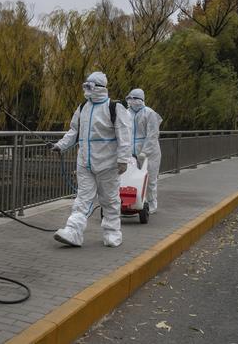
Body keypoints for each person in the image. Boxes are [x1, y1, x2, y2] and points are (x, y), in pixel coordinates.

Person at [48, 72, 132, 247]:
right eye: (85, 86)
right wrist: (60, 145)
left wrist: (123, 159)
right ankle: (73, 231)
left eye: (90, 87)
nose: (87, 90)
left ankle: (112, 232)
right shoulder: (83, 107)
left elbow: (124, 135)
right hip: (85, 163)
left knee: (109, 200)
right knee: (82, 199)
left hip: (108, 164)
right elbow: (73, 131)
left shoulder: (115, 108)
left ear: (100, 88)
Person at [126, 88, 163, 214]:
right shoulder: (126, 113)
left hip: (150, 153)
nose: (132, 101)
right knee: (131, 178)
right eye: (130, 98)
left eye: (135, 98)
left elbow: (152, 134)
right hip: (131, 152)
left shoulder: (149, 113)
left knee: (150, 179)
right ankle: (134, 202)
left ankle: (152, 204)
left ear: (142, 99)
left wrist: (145, 152)